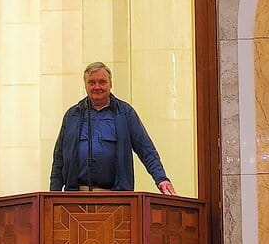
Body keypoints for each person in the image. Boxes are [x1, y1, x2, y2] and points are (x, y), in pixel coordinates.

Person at [49, 62, 176, 195]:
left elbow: (146, 149)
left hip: (116, 197)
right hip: (76, 196)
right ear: (85, 85)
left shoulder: (125, 113)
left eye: (102, 82)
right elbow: (59, 159)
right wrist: (53, 195)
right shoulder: (72, 115)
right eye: (92, 82)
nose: (97, 87)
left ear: (110, 84)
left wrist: (161, 179)